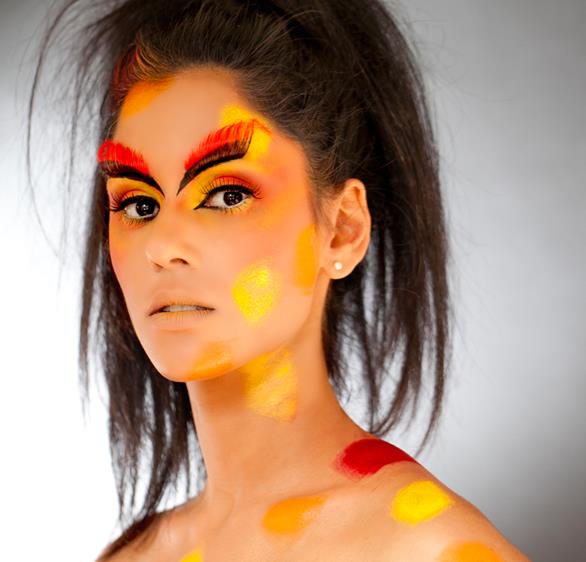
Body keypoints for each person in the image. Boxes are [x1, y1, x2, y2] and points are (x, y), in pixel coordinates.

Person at [27, 0, 530, 560]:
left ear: (342, 230)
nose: (162, 246)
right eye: (138, 204)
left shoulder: (428, 547)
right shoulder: (134, 555)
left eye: (227, 195)